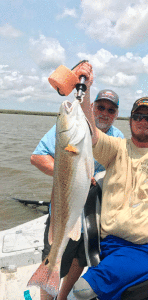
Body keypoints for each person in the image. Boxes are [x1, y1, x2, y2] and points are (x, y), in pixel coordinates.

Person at [71, 62, 148, 300]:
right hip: (115, 245)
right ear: (129, 122)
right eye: (138, 116)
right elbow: (92, 132)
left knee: (82, 289)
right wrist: (86, 88)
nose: (143, 120)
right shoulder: (116, 148)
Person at [31, 78, 124, 299]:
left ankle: (62, 296)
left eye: (110, 110)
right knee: (54, 257)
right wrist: (71, 173)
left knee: (79, 260)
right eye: (100, 107)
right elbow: (37, 157)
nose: (104, 113)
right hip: (65, 208)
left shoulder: (117, 137)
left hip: (94, 216)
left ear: (116, 114)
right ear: (91, 107)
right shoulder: (71, 127)